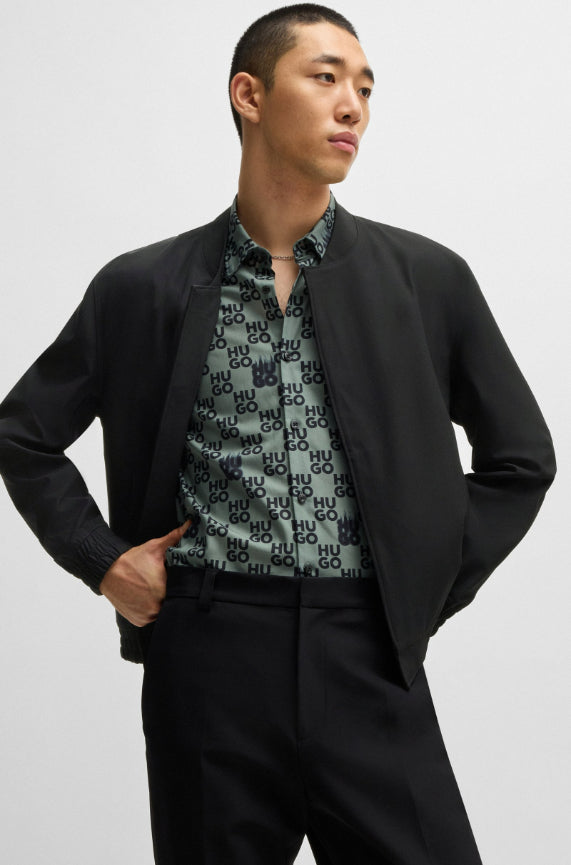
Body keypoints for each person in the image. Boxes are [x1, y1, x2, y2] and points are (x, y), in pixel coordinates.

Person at [0, 4, 557, 864]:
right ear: (249, 94)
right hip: (208, 656)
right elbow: (23, 434)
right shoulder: (142, 287)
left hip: (368, 654)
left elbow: (520, 458)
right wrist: (102, 559)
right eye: (325, 76)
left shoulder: (427, 279)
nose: (352, 104)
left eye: (365, 86)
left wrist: (420, 578)